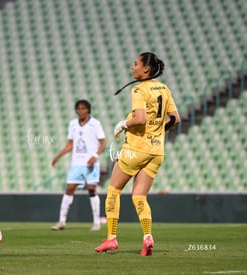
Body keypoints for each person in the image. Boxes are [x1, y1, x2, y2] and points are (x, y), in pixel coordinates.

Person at [95, 52, 180, 256]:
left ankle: (111, 238)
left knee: (113, 190)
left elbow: (140, 118)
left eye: (135, 64)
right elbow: (175, 119)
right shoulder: (163, 88)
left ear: (146, 69)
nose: (132, 67)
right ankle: (147, 237)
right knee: (139, 196)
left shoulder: (139, 90)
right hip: (157, 151)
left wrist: (123, 124)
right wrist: (157, 132)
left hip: (136, 150)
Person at [51, 99, 106, 231]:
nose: (80, 111)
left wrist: (95, 156)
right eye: (78, 108)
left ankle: (96, 222)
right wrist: (58, 156)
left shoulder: (95, 124)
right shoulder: (73, 124)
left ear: (88, 110)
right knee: (69, 189)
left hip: (90, 164)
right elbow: (70, 144)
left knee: (92, 189)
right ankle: (62, 221)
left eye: (83, 108)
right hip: (76, 163)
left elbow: (103, 143)